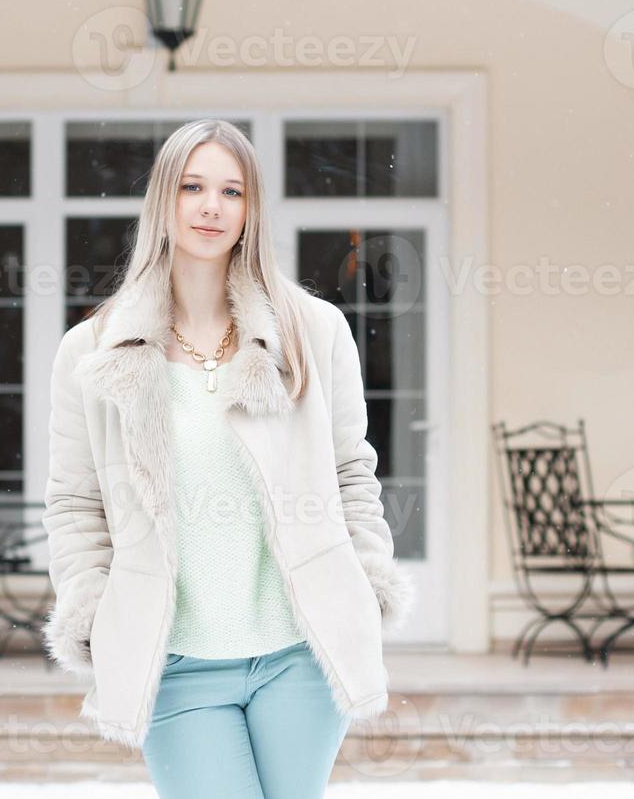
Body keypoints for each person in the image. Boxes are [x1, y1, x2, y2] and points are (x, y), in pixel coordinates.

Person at [42, 119, 414, 798]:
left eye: (231, 191)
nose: (211, 207)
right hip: (176, 662)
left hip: (299, 657)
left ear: (251, 209)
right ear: (164, 201)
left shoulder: (313, 333)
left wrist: (365, 576)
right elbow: (74, 504)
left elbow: (351, 473)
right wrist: (93, 605)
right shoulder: (92, 352)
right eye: (193, 187)